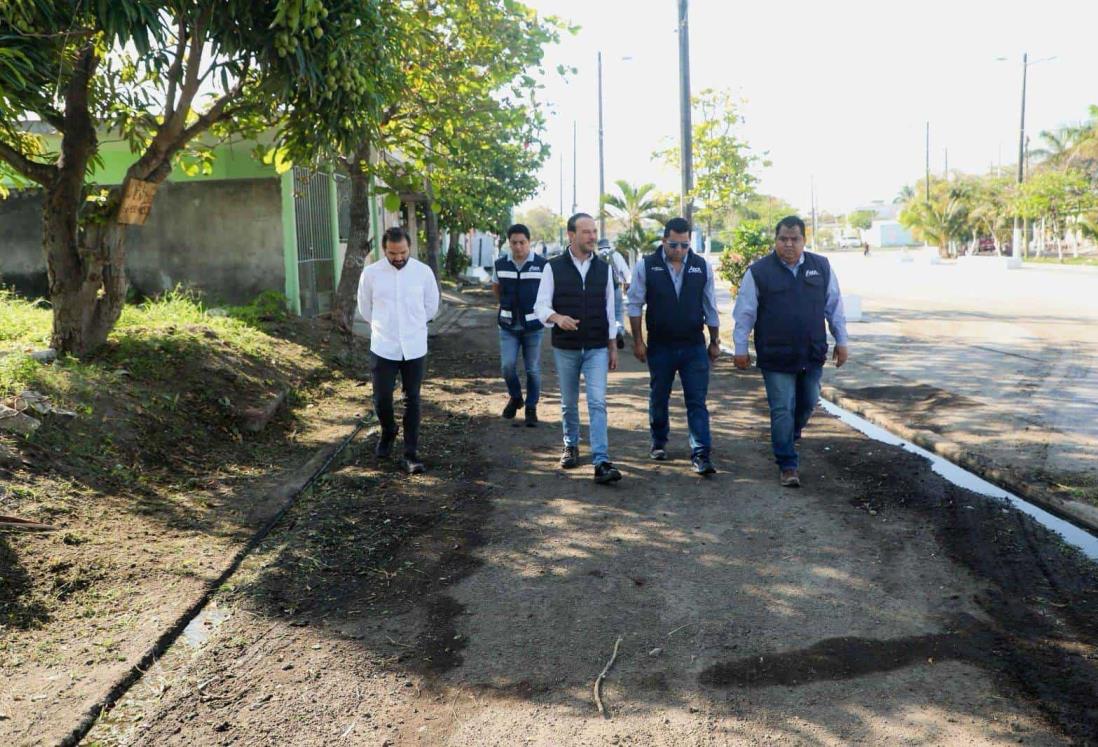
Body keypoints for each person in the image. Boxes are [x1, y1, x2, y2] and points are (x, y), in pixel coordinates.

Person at [732, 215, 849, 488]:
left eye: (794, 239)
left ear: (804, 241)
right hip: (776, 356)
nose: (788, 244)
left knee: (808, 401)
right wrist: (740, 348)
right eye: (783, 239)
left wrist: (841, 341)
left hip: (811, 352)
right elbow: (745, 313)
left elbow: (834, 307)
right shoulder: (759, 272)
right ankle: (787, 464)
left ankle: (791, 434)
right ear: (775, 240)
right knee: (782, 408)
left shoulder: (821, 267)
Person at [628, 217, 721, 476]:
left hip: (693, 345)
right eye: (673, 245)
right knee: (659, 396)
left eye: (684, 245)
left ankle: (701, 453)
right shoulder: (647, 266)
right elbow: (634, 304)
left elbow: (710, 306)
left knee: (697, 400)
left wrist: (714, 341)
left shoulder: (702, 266)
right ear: (663, 240)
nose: (679, 251)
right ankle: (658, 441)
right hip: (660, 345)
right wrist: (638, 341)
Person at [534, 213, 622, 484]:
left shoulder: (604, 269)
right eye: (586, 232)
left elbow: (610, 311)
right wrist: (558, 318)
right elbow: (540, 306)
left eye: (594, 231)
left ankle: (601, 461)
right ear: (571, 235)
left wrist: (612, 346)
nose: (592, 237)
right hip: (566, 347)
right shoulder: (553, 267)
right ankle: (570, 445)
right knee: (569, 401)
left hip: (596, 346)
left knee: (597, 402)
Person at [356, 226, 440, 475]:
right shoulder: (371, 274)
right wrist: (384, 327)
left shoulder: (423, 272)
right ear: (385, 250)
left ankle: (410, 453)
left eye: (402, 252)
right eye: (393, 253)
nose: (398, 257)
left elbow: (431, 305)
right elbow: (365, 308)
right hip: (384, 345)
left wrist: (413, 325)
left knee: (412, 398)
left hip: (414, 345)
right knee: (382, 397)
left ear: (409, 248)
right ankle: (388, 431)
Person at [492, 224, 547, 427]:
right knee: (507, 366)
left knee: (532, 368)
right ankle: (516, 397)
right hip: (508, 325)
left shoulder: (541, 264)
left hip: (533, 326)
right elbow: (496, 288)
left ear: (529, 242)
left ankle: (531, 407)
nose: (518, 247)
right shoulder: (500, 264)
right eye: (514, 242)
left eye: (522, 242)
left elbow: (547, 293)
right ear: (509, 243)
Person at [598, 238, 631, 349]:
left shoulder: (596, 256)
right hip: (616, 288)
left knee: (604, 313)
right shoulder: (616, 255)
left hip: (601, 290)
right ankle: (619, 332)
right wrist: (627, 284)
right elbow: (627, 273)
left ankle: (606, 336)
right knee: (617, 312)